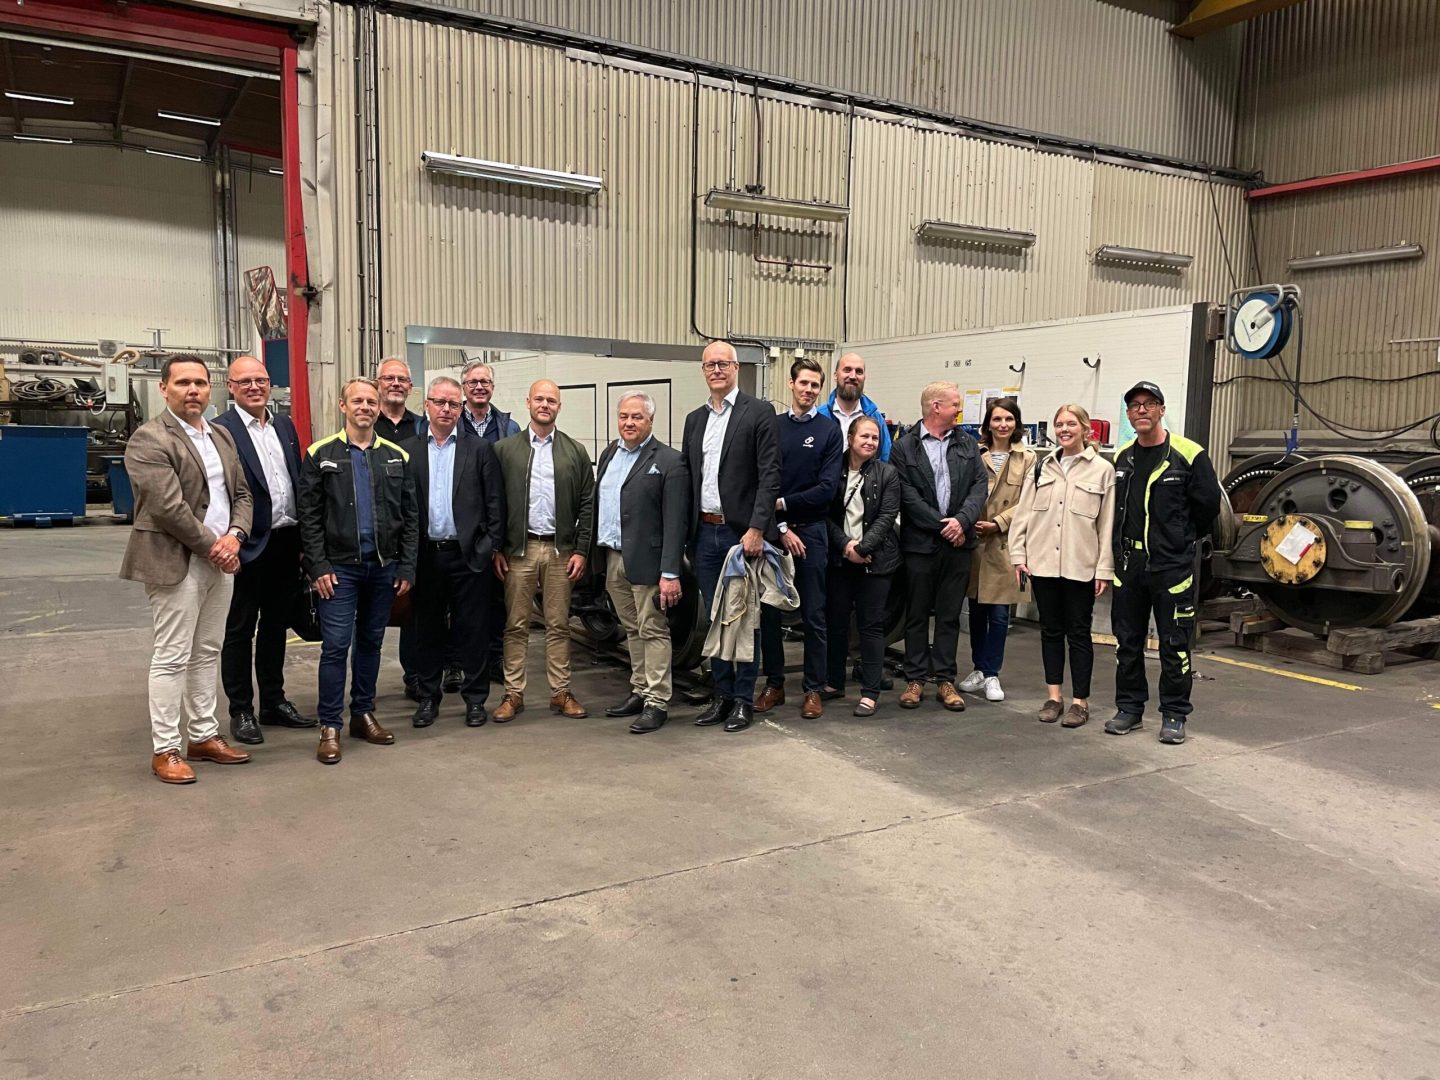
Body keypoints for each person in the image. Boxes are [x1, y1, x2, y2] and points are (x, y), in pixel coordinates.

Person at [120, 355, 254, 784]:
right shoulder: (149, 439)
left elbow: (242, 493)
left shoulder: (220, 435)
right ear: (164, 388)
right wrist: (216, 547)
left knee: (207, 651)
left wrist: (236, 536)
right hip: (175, 561)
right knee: (172, 656)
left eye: (200, 382)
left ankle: (203, 735)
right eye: (183, 383)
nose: (193, 390)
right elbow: (168, 508)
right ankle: (166, 749)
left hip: (222, 559)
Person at [298, 377, 418, 764]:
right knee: (335, 647)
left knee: (370, 643)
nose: (365, 407)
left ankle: (363, 714)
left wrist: (406, 566)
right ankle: (330, 725)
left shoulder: (396, 456)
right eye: (357, 401)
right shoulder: (320, 454)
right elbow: (309, 517)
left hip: (383, 568)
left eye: (371, 401)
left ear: (379, 407)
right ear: (343, 406)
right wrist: (317, 565)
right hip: (339, 570)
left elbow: (410, 518)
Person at [1105, 381, 1221, 744]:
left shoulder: (1189, 454)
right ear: (1128, 414)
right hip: (1129, 565)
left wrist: (1179, 539)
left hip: (1171, 568)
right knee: (1127, 643)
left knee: (1174, 644)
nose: (1141, 410)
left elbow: (1208, 507)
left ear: (1161, 410)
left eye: (1149, 403)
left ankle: (1174, 714)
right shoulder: (1122, 457)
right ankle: (1129, 709)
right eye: (1135, 405)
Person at [682, 339, 782, 734]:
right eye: (710, 364)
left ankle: (742, 700)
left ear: (737, 368)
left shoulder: (758, 412)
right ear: (703, 371)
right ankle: (721, 695)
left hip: (740, 536)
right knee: (715, 619)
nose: (717, 370)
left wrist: (757, 528)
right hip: (704, 534)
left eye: (724, 363)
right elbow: (689, 478)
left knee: (743, 621)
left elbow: (770, 474)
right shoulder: (695, 420)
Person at [214, 356, 312, 745]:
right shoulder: (221, 430)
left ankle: (273, 702)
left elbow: (295, 479)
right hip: (246, 544)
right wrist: (230, 540)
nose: (255, 387)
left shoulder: (284, 425)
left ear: (270, 384)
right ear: (231, 387)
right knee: (239, 629)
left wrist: (304, 542)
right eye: (245, 382)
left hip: (286, 541)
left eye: (261, 380)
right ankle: (241, 710)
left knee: (275, 626)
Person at [402, 376, 506, 729]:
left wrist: (487, 547)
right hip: (426, 556)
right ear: (427, 406)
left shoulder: (480, 450)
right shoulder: (409, 451)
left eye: (453, 404)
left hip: (468, 557)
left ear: (461, 409)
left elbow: (495, 504)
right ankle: (428, 698)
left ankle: (475, 700)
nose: (446, 409)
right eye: (440, 402)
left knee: (473, 631)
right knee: (427, 631)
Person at [491, 380, 595, 722]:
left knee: (559, 624)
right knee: (515, 625)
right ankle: (513, 693)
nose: (545, 405)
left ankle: (560, 692)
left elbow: (587, 503)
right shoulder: (505, 450)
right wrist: (497, 548)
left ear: (559, 407)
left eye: (551, 400)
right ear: (528, 403)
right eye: (539, 399)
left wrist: (581, 550)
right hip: (518, 551)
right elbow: (494, 503)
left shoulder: (575, 451)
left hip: (560, 551)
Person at [1010, 404, 1115, 728]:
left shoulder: (1102, 470)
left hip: (1080, 565)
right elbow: (1023, 514)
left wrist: (1104, 569)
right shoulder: (1042, 468)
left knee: (1079, 633)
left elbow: (1107, 524)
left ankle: (1080, 702)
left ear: (1085, 429)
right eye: (1059, 425)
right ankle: (1054, 697)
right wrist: (1018, 555)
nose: (1064, 430)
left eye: (1071, 424)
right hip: (1043, 564)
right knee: (1051, 631)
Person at [594, 392, 690, 734]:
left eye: (637, 417)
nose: (629, 423)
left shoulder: (669, 461)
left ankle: (657, 701)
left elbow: (676, 521)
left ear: (651, 420)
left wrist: (670, 572)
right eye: (624, 416)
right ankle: (640, 689)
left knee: (652, 629)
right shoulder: (609, 454)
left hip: (648, 561)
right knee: (631, 628)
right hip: (614, 557)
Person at [889, 381, 988, 711]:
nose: (959, 410)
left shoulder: (967, 443)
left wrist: (962, 521)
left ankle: (945, 680)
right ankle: (915, 679)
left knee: (948, 616)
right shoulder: (904, 447)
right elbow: (906, 495)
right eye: (955, 404)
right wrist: (943, 526)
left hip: (958, 545)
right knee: (916, 614)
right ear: (935, 407)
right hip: (920, 545)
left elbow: (979, 486)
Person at [756, 358, 843, 719]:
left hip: (812, 533)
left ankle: (813, 689)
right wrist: (780, 526)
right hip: (775, 533)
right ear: (791, 384)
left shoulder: (829, 431)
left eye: (815, 385)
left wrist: (783, 504)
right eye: (803, 383)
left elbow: (826, 489)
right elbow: (762, 481)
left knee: (814, 614)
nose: (809, 390)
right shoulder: (773, 428)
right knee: (769, 612)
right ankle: (774, 685)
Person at [958, 397, 1036, 704]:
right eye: (997, 419)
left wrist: (999, 523)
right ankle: (979, 669)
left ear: (1016, 423)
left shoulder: (1028, 458)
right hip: (977, 541)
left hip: (1008, 543)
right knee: (976, 610)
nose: (1003, 425)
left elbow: (1030, 501)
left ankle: (992, 673)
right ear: (988, 423)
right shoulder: (974, 453)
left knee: (1001, 614)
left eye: (1008, 419)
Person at [823, 416, 901, 716]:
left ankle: (870, 692)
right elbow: (824, 513)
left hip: (875, 561)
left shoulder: (887, 473)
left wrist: (862, 548)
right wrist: (846, 546)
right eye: (864, 436)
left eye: (875, 438)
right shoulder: (832, 469)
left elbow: (887, 516)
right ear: (851, 438)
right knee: (836, 622)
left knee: (870, 626)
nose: (870, 442)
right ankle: (834, 682)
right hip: (840, 559)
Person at [817, 352, 892, 461]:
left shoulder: (875, 418)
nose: (853, 376)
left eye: (859, 371)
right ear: (835, 375)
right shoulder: (819, 416)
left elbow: (886, 459)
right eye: (847, 370)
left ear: (864, 378)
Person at [459, 359, 521, 443]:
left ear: (492, 387)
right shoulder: (451, 425)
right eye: (473, 382)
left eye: (484, 382)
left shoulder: (511, 428)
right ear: (463, 389)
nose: (479, 387)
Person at [373, 357, 421, 442]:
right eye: (389, 378)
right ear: (377, 385)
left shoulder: (422, 426)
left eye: (402, 379)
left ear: (410, 388)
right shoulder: (367, 424)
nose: (396, 383)